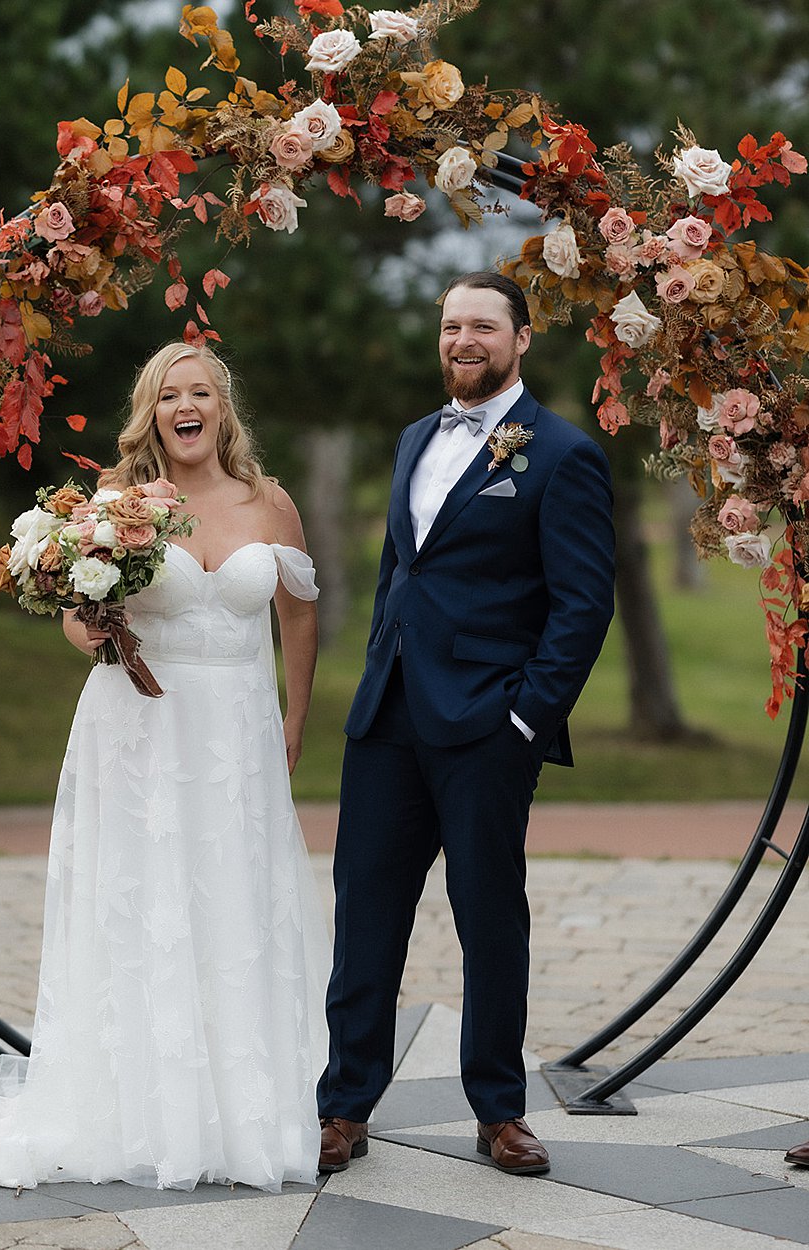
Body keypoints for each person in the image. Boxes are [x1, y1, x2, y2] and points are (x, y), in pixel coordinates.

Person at [0, 342, 329, 1193]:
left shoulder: (270, 505)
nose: (183, 408)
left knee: (231, 904)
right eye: (167, 396)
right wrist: (86, 628)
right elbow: (78, 610)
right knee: (142, 902)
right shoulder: (119, 505)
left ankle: (241, 1122)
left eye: (199, 393)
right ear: (150, 413)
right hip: (137, 730)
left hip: (234, 734)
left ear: (223, 411)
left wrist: (294, 714)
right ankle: (132, 1114)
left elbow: (298, 616)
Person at [315, 271, 616, 1176]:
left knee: (489, 919)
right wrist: (375, 672)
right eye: (451, 326)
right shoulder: (416, 437)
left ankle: (498, 1111)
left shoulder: (563, 455)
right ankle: (343, 1107)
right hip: (387, 720)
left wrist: (526, 719)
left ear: (521, 340)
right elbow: (400, 574)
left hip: (488, 727)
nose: (463, 340)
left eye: (483, 325)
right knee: (364, 917)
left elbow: (583, 606)